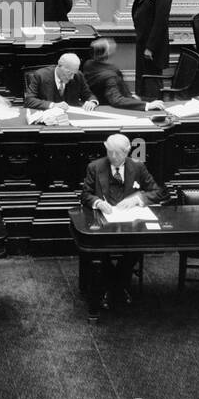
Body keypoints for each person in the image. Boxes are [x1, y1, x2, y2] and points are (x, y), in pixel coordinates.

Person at [81, 134, 165, 312]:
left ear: (127, 151)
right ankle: (119, 286)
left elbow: (157, 192)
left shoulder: (137, 166)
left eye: (117, 153)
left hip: (129, 222)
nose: (113, 156)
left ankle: (112, 286)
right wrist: (98, 202)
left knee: (136, 248)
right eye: (109, 152)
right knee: (99, 251)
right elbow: (85, 195)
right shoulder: (95, 167)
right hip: (103, 222)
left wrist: (137, 200)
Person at [119, 0, 172, 97]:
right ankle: (142, 101)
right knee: (143, 74)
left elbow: (160, 22)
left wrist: (150, 48)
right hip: (144, 38)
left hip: (152, 44)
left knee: (151, 77)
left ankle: (151, 103)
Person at [81, 38, 166, 112]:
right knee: (159, 102)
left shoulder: (88, 64)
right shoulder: (110, 76)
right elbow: (116, 100)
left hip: (111, 100)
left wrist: (132, 96)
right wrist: (147, 105)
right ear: (107, 54)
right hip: (114, 108)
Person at [23, 53, 98, 110]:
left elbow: (89, 95)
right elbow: (29, 100)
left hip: (71, 119)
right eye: (69, 73)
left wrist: (92, 102)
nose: (72, 77)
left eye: (74, 73)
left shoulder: (78, 76)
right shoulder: (40, 76)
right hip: (49, 119)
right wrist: (53, 105)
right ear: (59, 66)